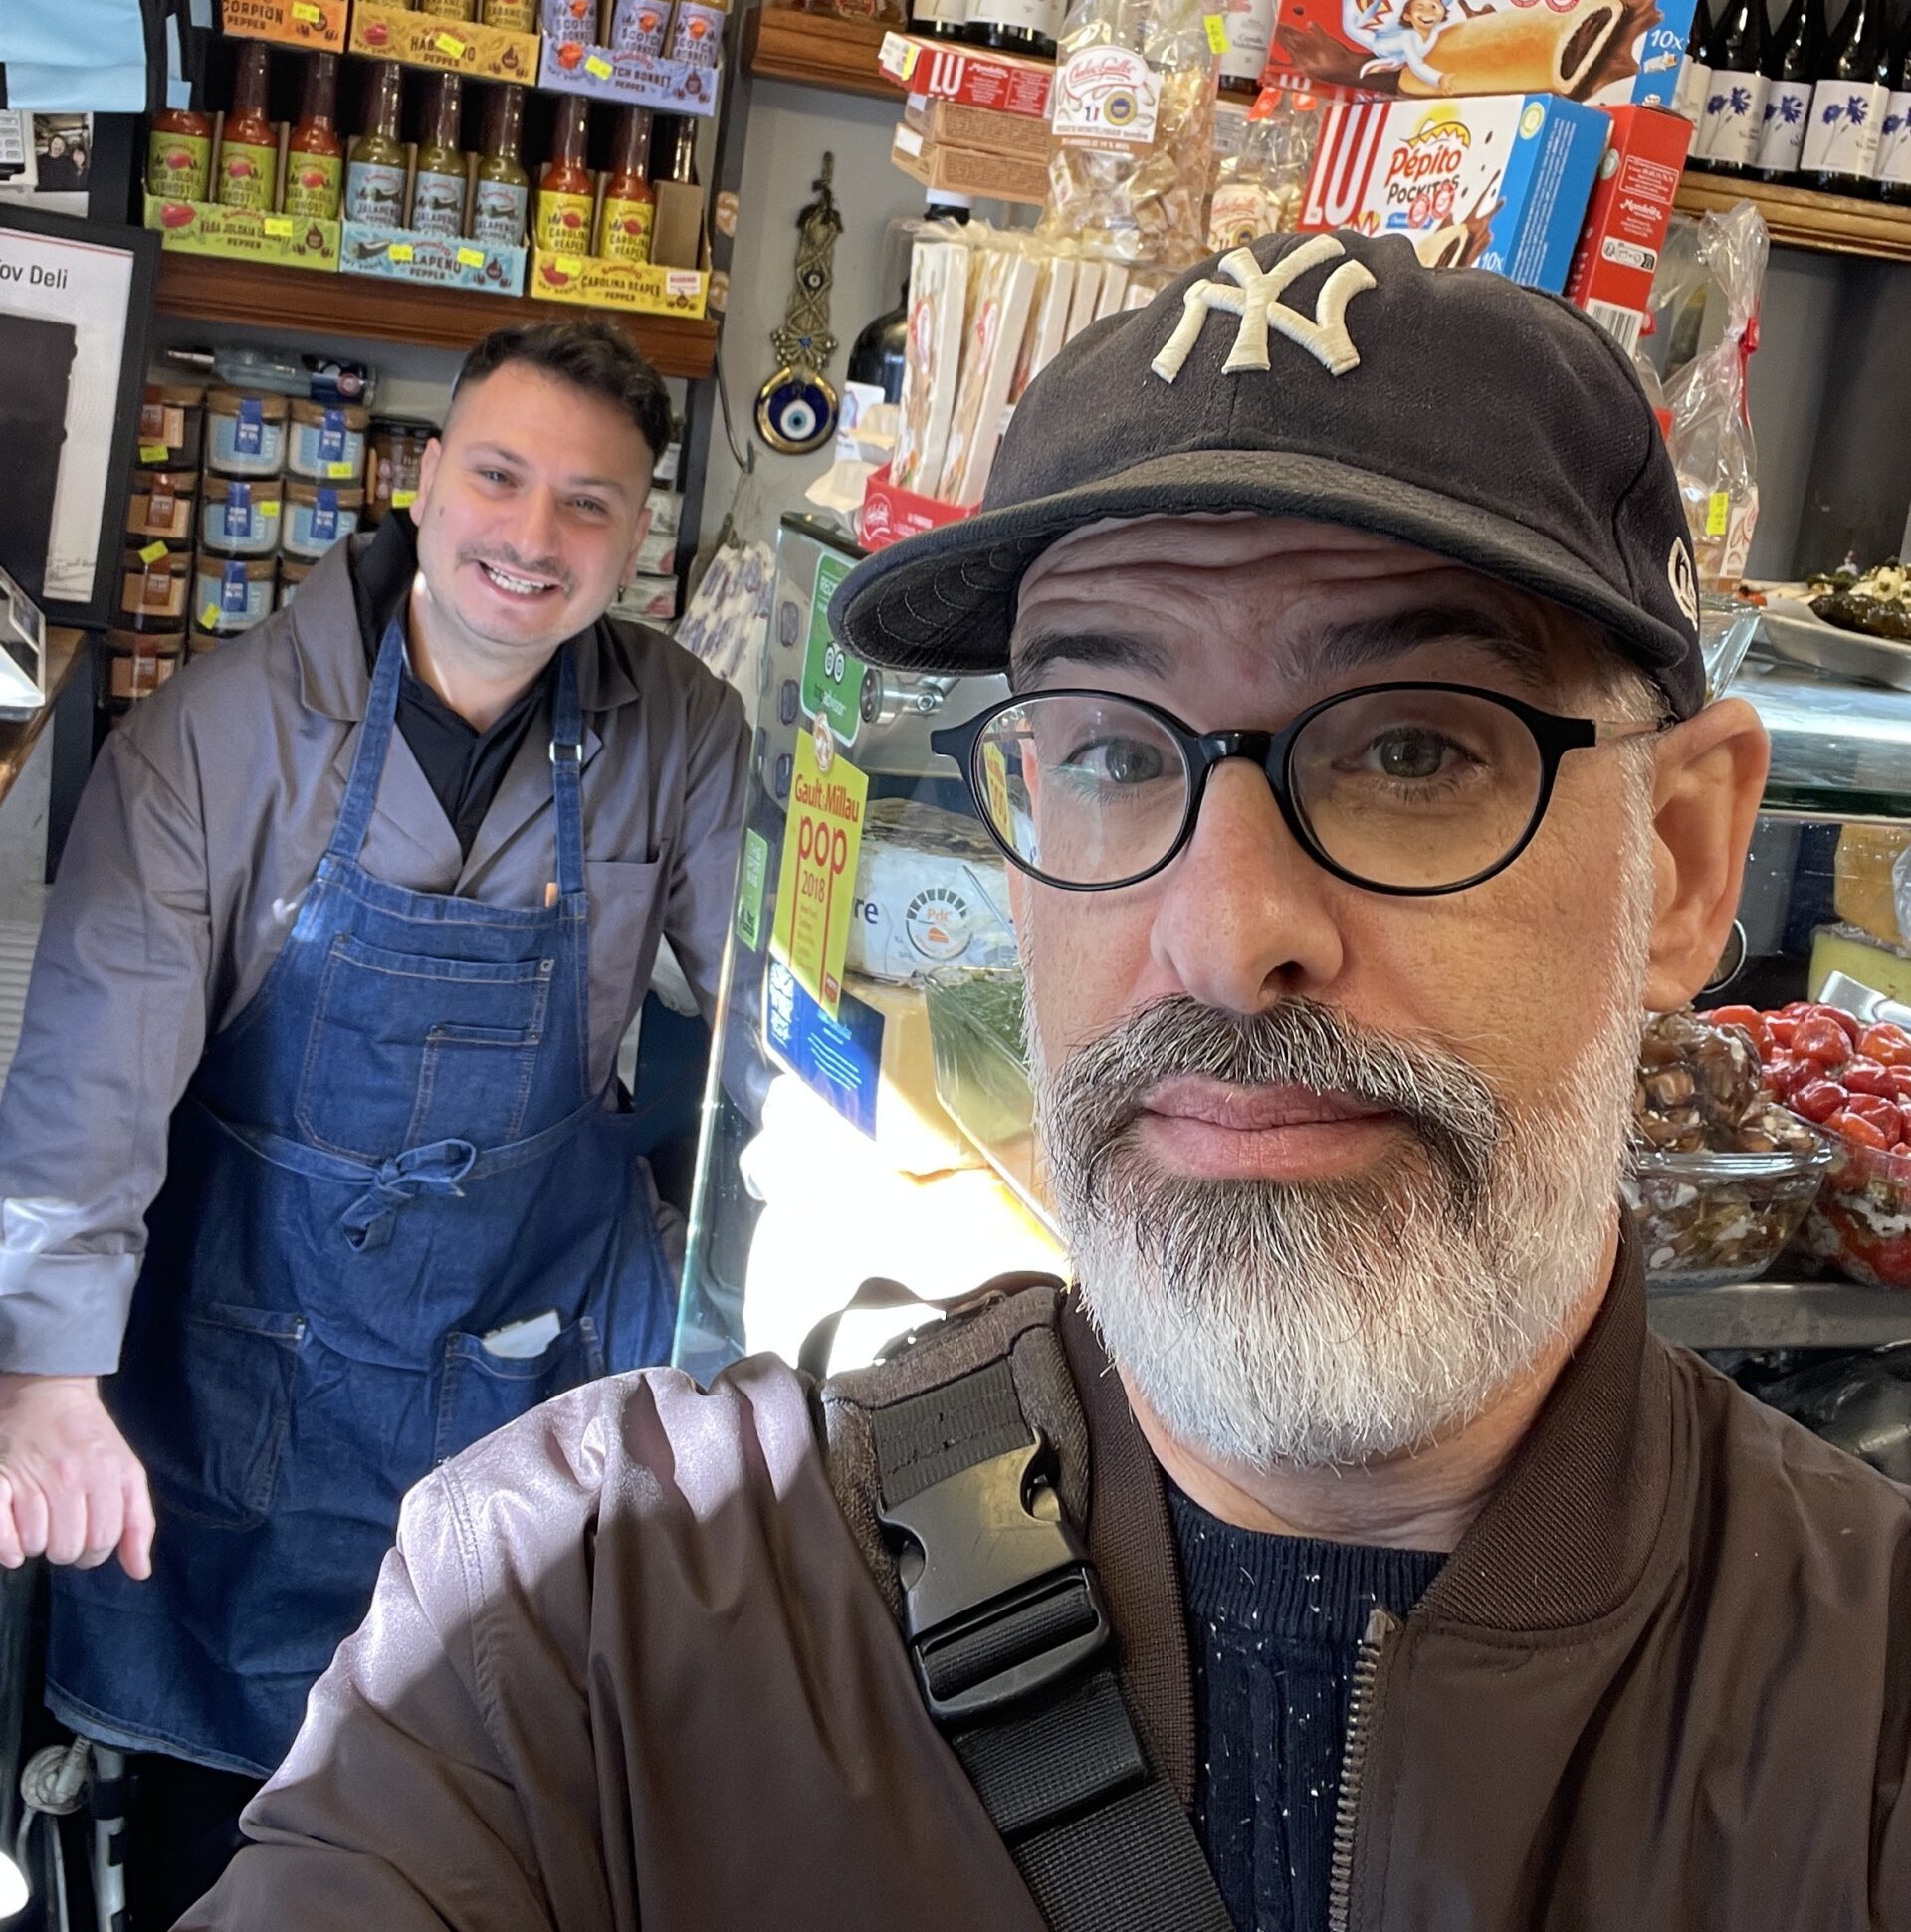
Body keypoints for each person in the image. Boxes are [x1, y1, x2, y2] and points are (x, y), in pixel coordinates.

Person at [182, 234, 1910, 1930]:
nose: (1227, 936)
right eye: (1105, 748)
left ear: (1683, 862)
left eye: (1412, 748)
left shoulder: (1871, 1723)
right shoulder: (586, 1617)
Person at [0, 317, 748, 1923]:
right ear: (425, 482)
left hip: (526, 1350)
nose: (532, 539)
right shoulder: (217, 736)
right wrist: (49, 1375)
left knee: (497, 1805)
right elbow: (90, 1074)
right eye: (500, 477)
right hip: (258, 1355)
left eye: (590, 505)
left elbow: (762, 997)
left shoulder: (679, 730)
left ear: (638, 540)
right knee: (239, 1821)